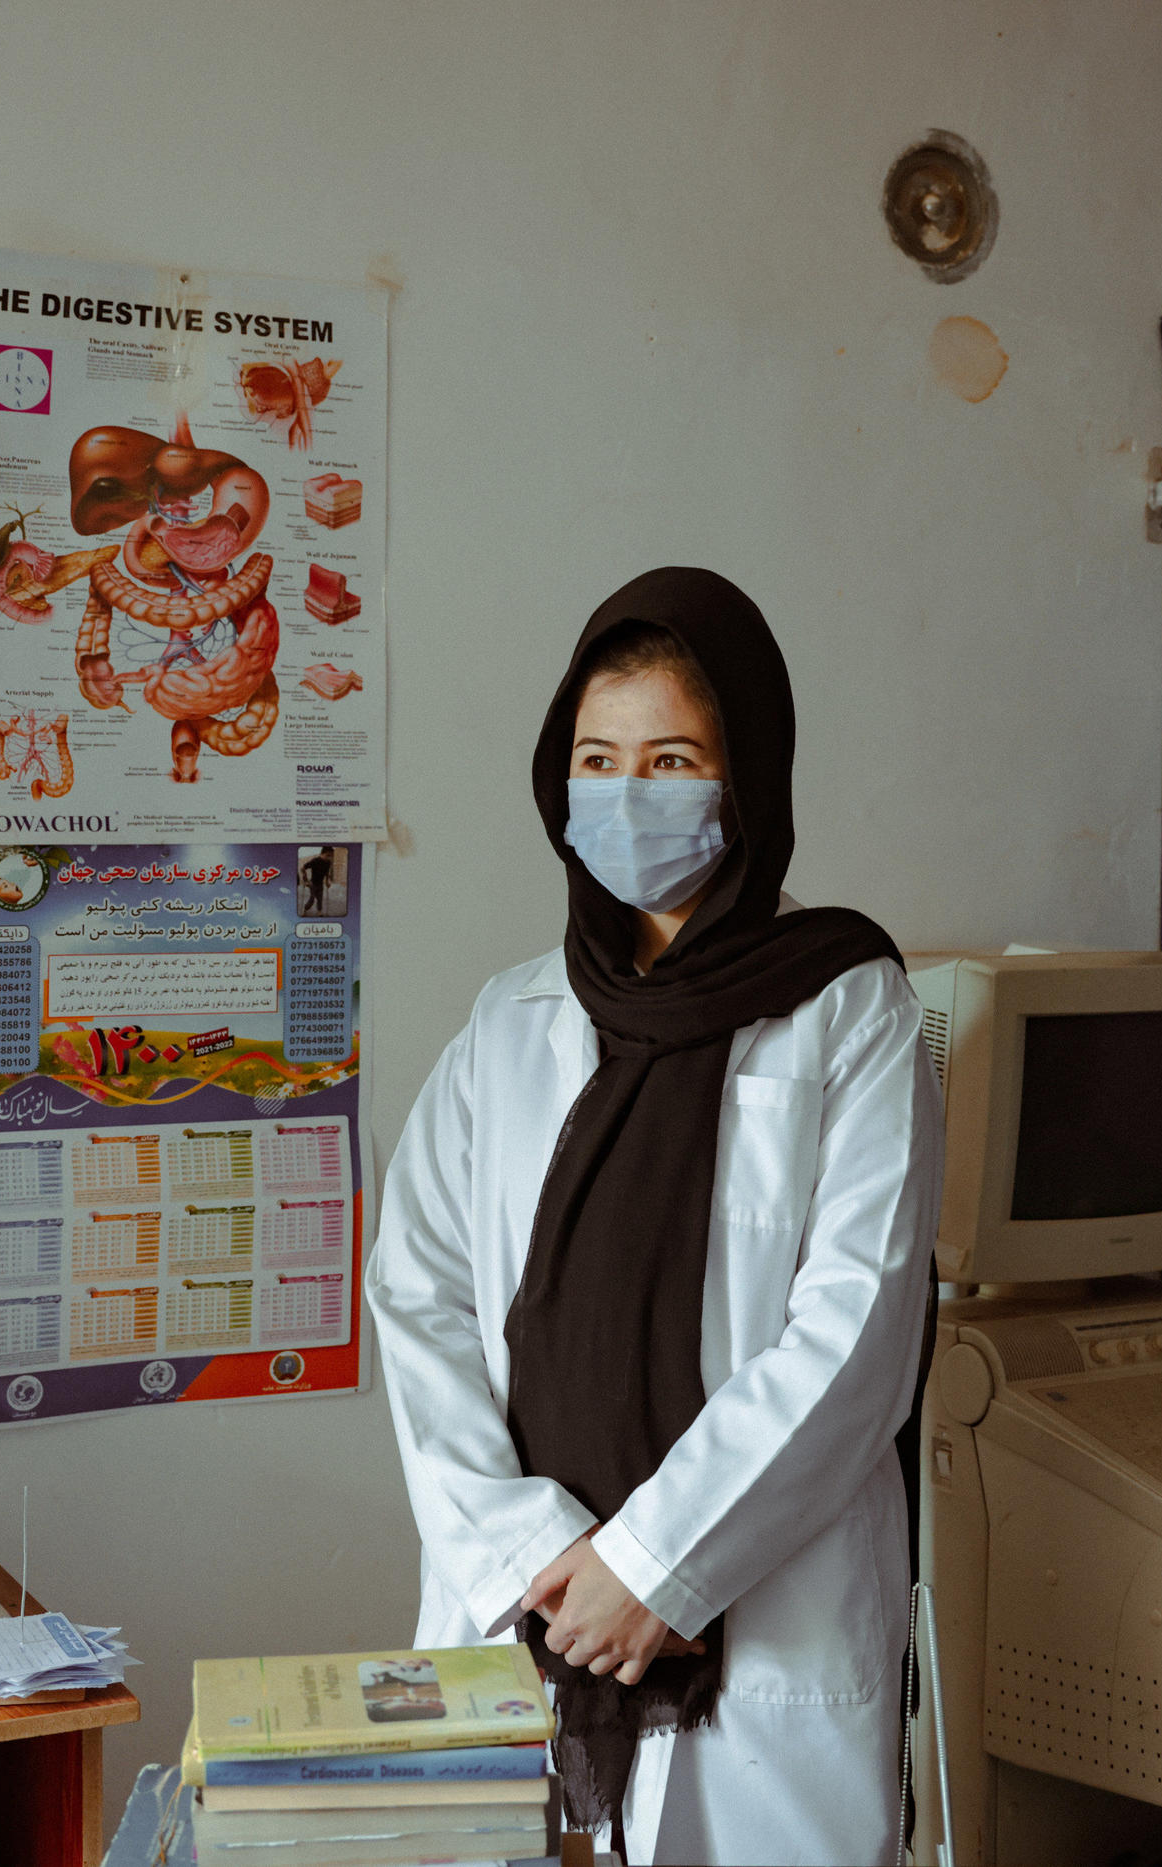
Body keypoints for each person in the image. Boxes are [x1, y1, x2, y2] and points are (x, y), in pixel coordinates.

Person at [368, 568, 940, 1866]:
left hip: (759, 1632)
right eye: (597, 757)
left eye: (672, 757)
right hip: (529, 1613)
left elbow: (855, 1334)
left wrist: (660, 1565)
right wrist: (543, 1555)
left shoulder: (848, 1009)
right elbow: (418, 1299)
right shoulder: (507, 1025)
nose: (629, 795)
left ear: (747, 775)